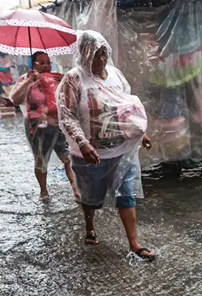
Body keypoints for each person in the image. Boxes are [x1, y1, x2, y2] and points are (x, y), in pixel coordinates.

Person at [57, 31, 155, 262]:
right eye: (95, 54)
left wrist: (141, 134)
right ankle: (89, 226)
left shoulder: (116, 76)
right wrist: (82, 143)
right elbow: (67, 115)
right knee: (91, 197)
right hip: (90, 155)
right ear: (83, 54)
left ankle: (134, 243)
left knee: (125, 193)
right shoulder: (73, 79)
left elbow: (127, 108)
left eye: (103, 53)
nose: (100, 59)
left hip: (122, 151)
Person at [10, 51, 79, 202]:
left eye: (48, 62)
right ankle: (44, 191)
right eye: (42, 63)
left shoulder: (56, 78)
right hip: (38, 126)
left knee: (68, 157)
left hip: (59, 123)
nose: (46, 65)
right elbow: (15, 99)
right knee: (41, 160)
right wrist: (29, 82)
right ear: (33, 64)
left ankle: (76, 190)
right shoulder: (26, 79)